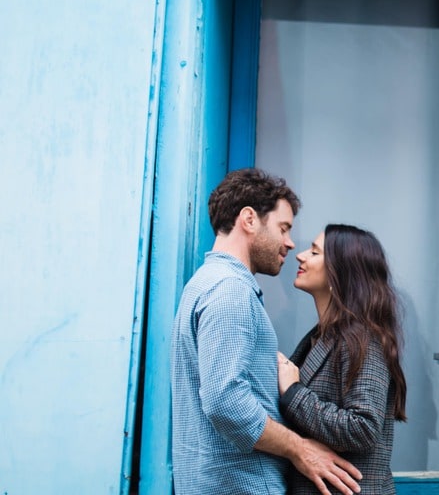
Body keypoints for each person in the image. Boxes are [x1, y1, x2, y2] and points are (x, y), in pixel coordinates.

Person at [171, 168, 363, 495]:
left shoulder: (204, 284)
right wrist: (299, 448)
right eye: (283, 228)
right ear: (249, 219)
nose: (290, 243)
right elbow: (224, 400)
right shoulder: (230, 291)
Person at [277, 224, 409, 495]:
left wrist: (293, 393)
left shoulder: (363, 340)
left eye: (314, 252)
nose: (300, 256)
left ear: (340, 272)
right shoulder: (321, 337)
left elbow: (363, 427)